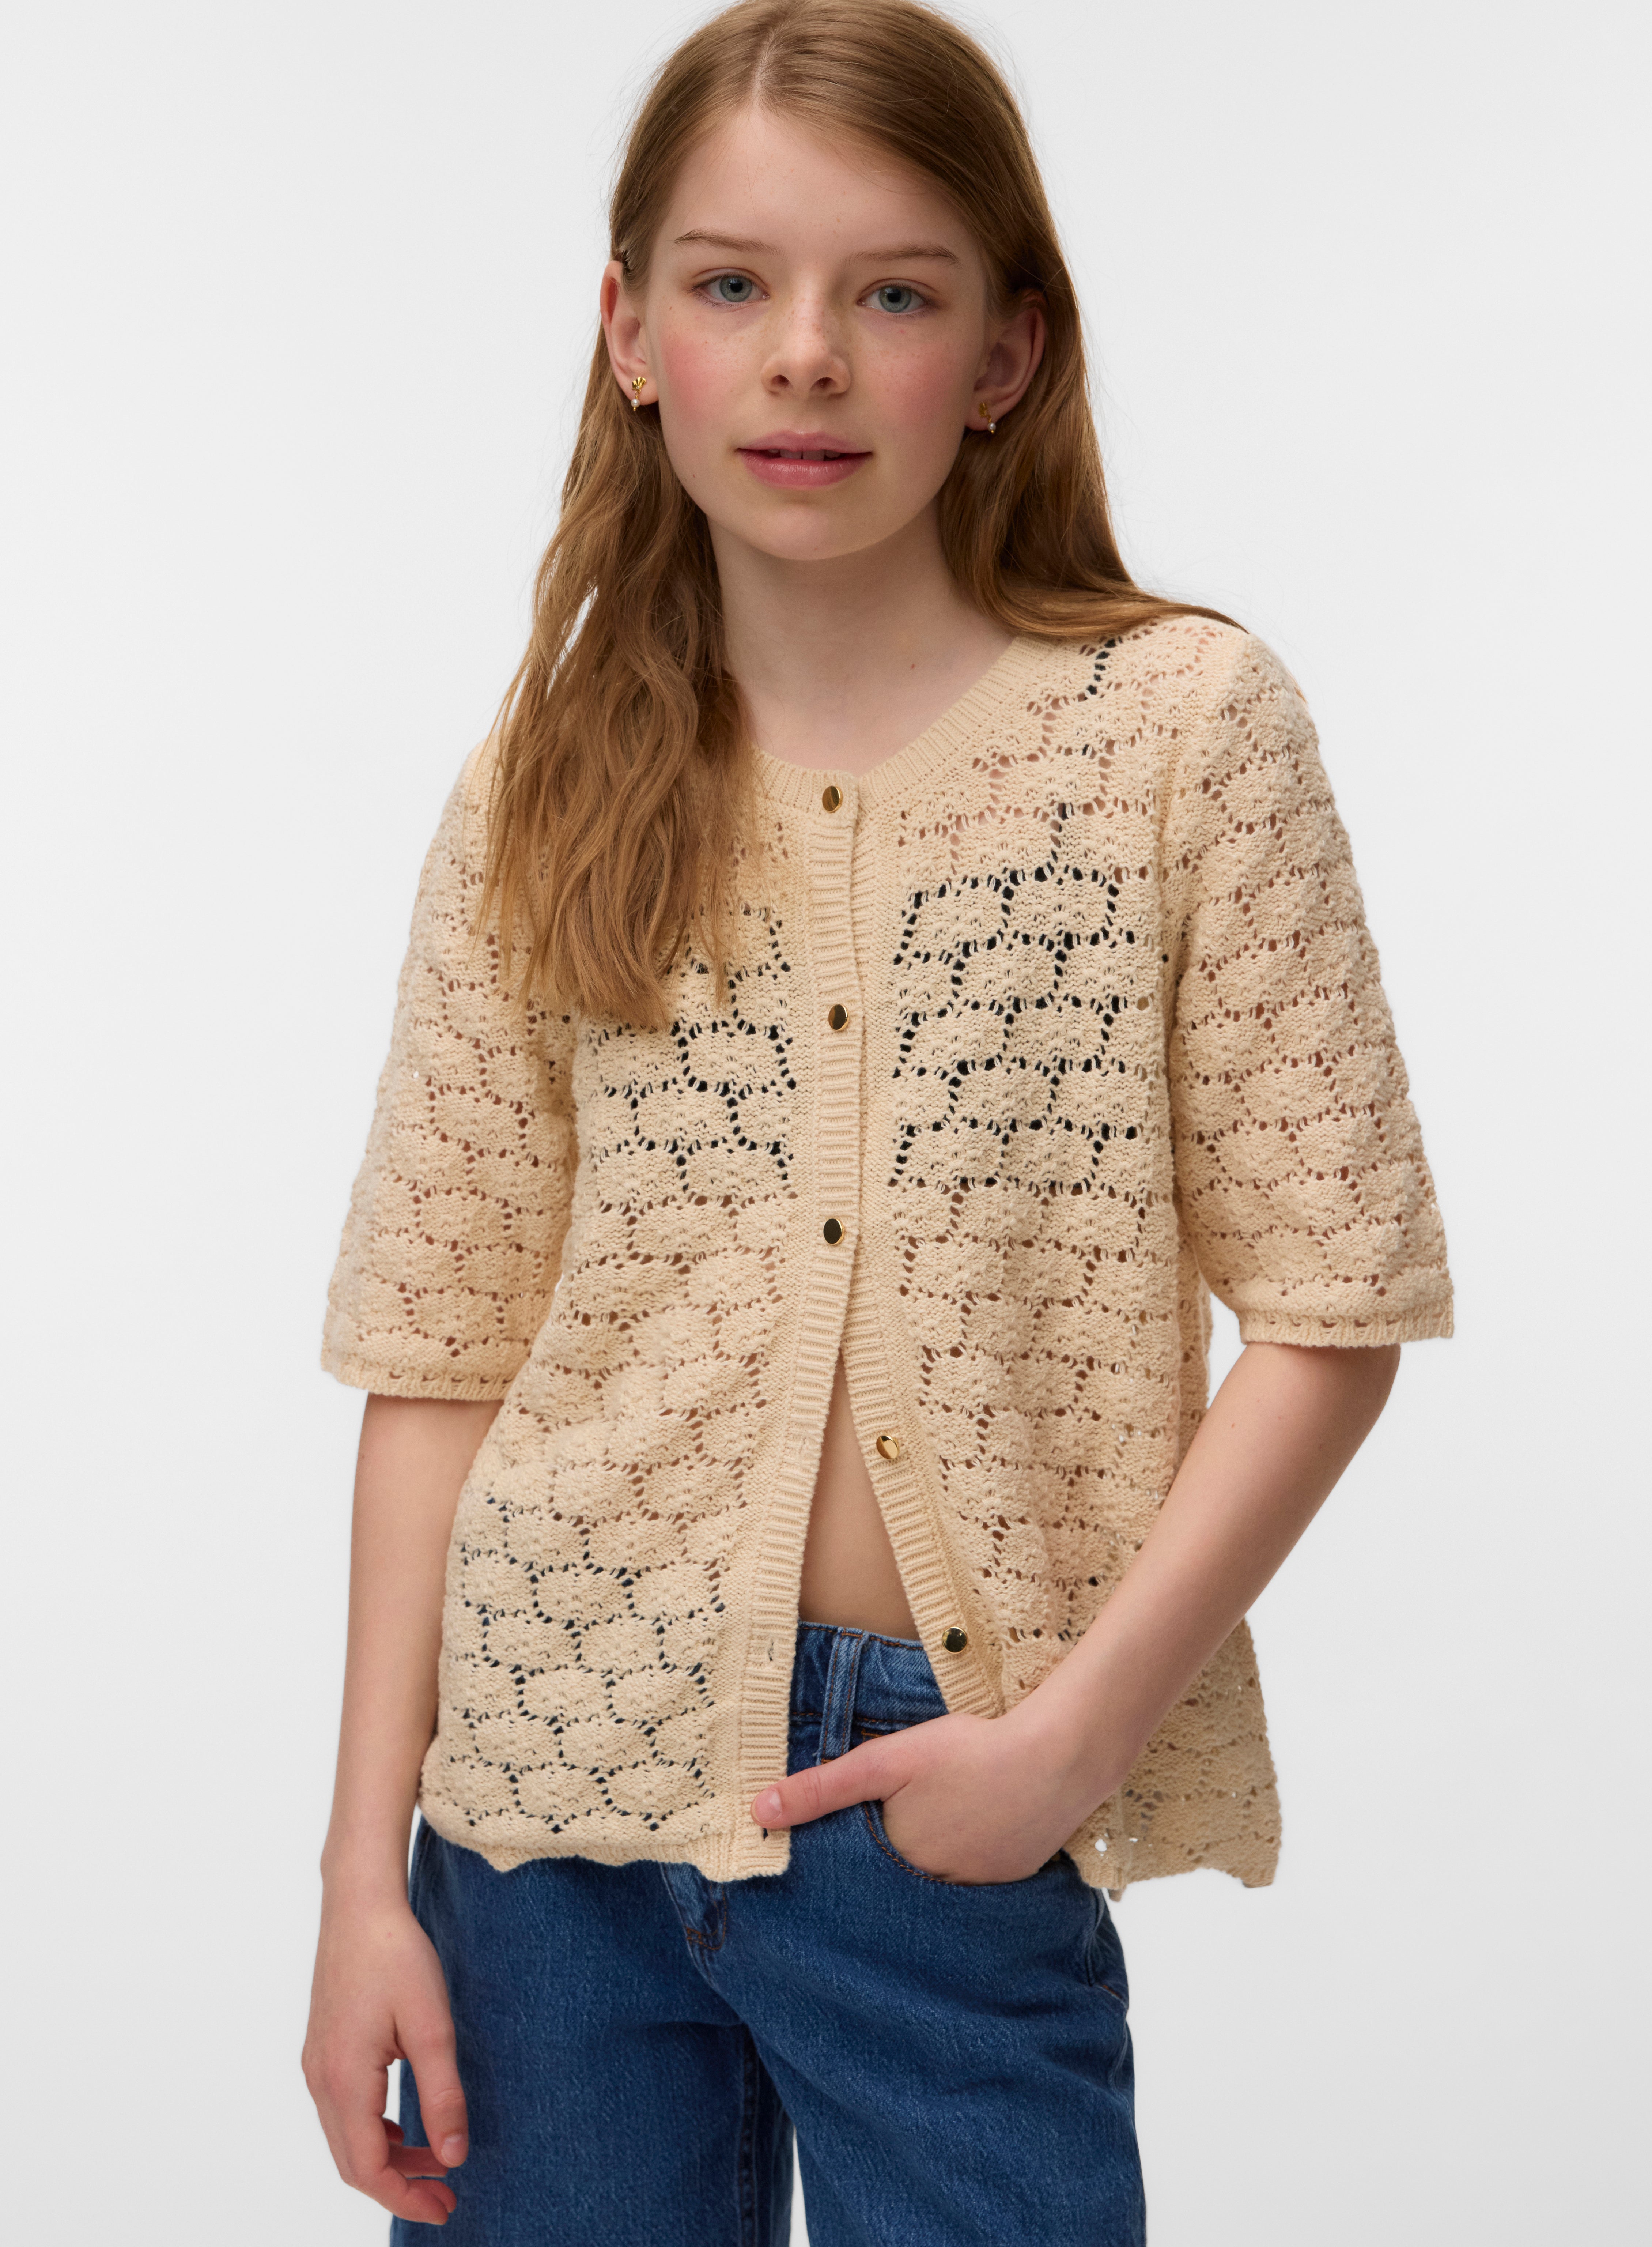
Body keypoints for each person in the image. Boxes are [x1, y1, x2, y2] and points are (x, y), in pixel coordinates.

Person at [302, 1, 1454, 2237]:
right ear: (630, 333)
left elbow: (1331, 1312)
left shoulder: (1174, 736)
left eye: (894, 294)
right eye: (732, 283)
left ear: (1004, 350)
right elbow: (437, 1363)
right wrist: (364, 1880)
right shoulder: (542, 786)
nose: (806, 355)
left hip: (948, 1797)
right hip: (543, 1822)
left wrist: (1067, 1739)